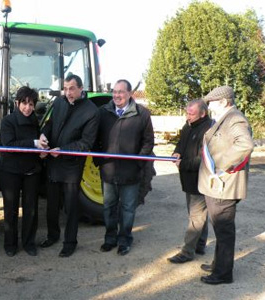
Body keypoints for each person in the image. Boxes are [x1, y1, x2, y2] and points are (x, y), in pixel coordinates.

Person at [39, 74, 99, 257]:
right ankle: (52, 235)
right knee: (52, 203)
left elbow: (86, 143)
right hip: (53, 161)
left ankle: (70, 242)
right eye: (65, 88)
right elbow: (50, 124)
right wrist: (43, 135)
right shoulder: (59, 102)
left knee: (71, 206)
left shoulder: (91, 111)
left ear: (81, 88)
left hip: (72, 165)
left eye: (72, 88)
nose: (68, 92)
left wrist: (64, 149)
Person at [198, 86, 254, 285]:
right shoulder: (224, 118)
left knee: (224, 231)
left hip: (224, 185)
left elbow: (245, 145)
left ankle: (223, 274)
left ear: (223, 101)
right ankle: (218, 264)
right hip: (218, 185)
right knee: (220, 229)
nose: (209, 106)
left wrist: (220, 162)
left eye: (212, 102)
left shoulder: (234, 119)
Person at [95, 79, 154, 256]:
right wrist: (100, 160)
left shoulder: (142, 114)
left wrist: (138, 162)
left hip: (130, 172)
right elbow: (93, 136)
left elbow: (148, 141)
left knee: (128, 208)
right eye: (114, 91)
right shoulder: (103, 112)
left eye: (121, 92)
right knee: (108, 207)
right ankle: (110, 239)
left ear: (129, 94)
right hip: (108, 171)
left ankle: (124, 240)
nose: (116, 95)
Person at [0, 87, 47, 257]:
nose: (28, 108)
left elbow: (37, 139)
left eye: (31, 104)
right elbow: (9, 145)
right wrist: (34, 143)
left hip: (31, 171)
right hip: (10, 171)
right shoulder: (7, 121)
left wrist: (42, 146)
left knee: (31, 209)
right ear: (17, 103)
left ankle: (29, 243)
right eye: (24, 103)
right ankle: (10, 244)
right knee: (10, 209)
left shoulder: (34, 120)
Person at [167, 99, 211, 264]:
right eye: (187, 112)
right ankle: (199, 245)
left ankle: (187, 252)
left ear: (202, 113)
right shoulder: (188, 126)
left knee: (196, 217)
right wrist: (177, 152)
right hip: (188, 179)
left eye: (191, 114)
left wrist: (183, 163)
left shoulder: (208, 130)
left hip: (200, 180)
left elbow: (203, 159)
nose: (188, 116)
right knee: (198, 216)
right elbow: (181, 144)